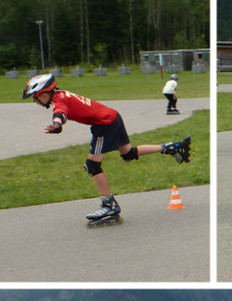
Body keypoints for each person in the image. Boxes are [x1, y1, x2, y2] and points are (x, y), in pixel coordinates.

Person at [22, 73, 191, 226]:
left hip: (104, 124)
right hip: (113, 116)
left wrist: (57, 124)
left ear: (44, 94)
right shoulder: (62, 94)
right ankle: (172, 147)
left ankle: (109, 205)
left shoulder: (59, 101)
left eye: (35, 98)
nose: (35, 102)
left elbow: (60, 112)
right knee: (128, 154)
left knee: (92, 166)